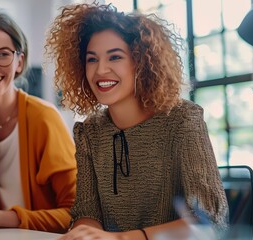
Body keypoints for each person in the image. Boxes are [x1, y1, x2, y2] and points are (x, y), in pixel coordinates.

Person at [44, 3, 228, 240]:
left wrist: (123, 238)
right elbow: (87, 212)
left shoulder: (182, 120)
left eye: (115, 57)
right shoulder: (89, 132)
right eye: (92, 59)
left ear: (140, 62)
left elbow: (209, 221)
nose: (100, 69)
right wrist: (85, 234)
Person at [0, 9, 77, 233]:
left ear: (19, 61)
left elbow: (76, 214)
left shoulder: (44, 118)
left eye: (2, 54)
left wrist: (1, 217)